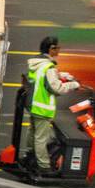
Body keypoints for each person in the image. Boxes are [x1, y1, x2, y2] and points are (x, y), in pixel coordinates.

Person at [25, 36, 80, 175]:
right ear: (51, 49)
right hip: (42, 107)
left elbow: (43, 77)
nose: (59, 50)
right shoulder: (48, 67)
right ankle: (43, 167)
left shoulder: (38, 63)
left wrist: (63, 75)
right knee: (41, 138)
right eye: (57, 48)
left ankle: (30, 156)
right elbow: (56, 88)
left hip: (33, 105)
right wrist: (73, 85)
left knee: (33, 132)